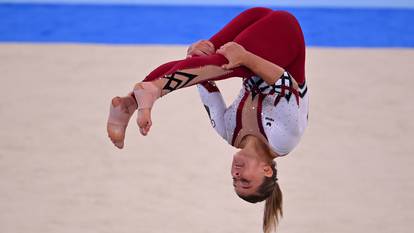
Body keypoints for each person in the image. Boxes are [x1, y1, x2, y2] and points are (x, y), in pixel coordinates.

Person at [106, 7, 308, 233]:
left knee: (208, 60)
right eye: (245, 181)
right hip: (286, 37)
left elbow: (204, 82)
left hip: (256, 25)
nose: (236, 174)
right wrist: (246, 57)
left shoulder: (228, 131)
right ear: (267, 170)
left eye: (234, 181)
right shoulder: (283, 140)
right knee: (226, 64)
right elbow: (286, 85)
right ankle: (152, 92)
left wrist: (191, 56)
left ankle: (130, 102)